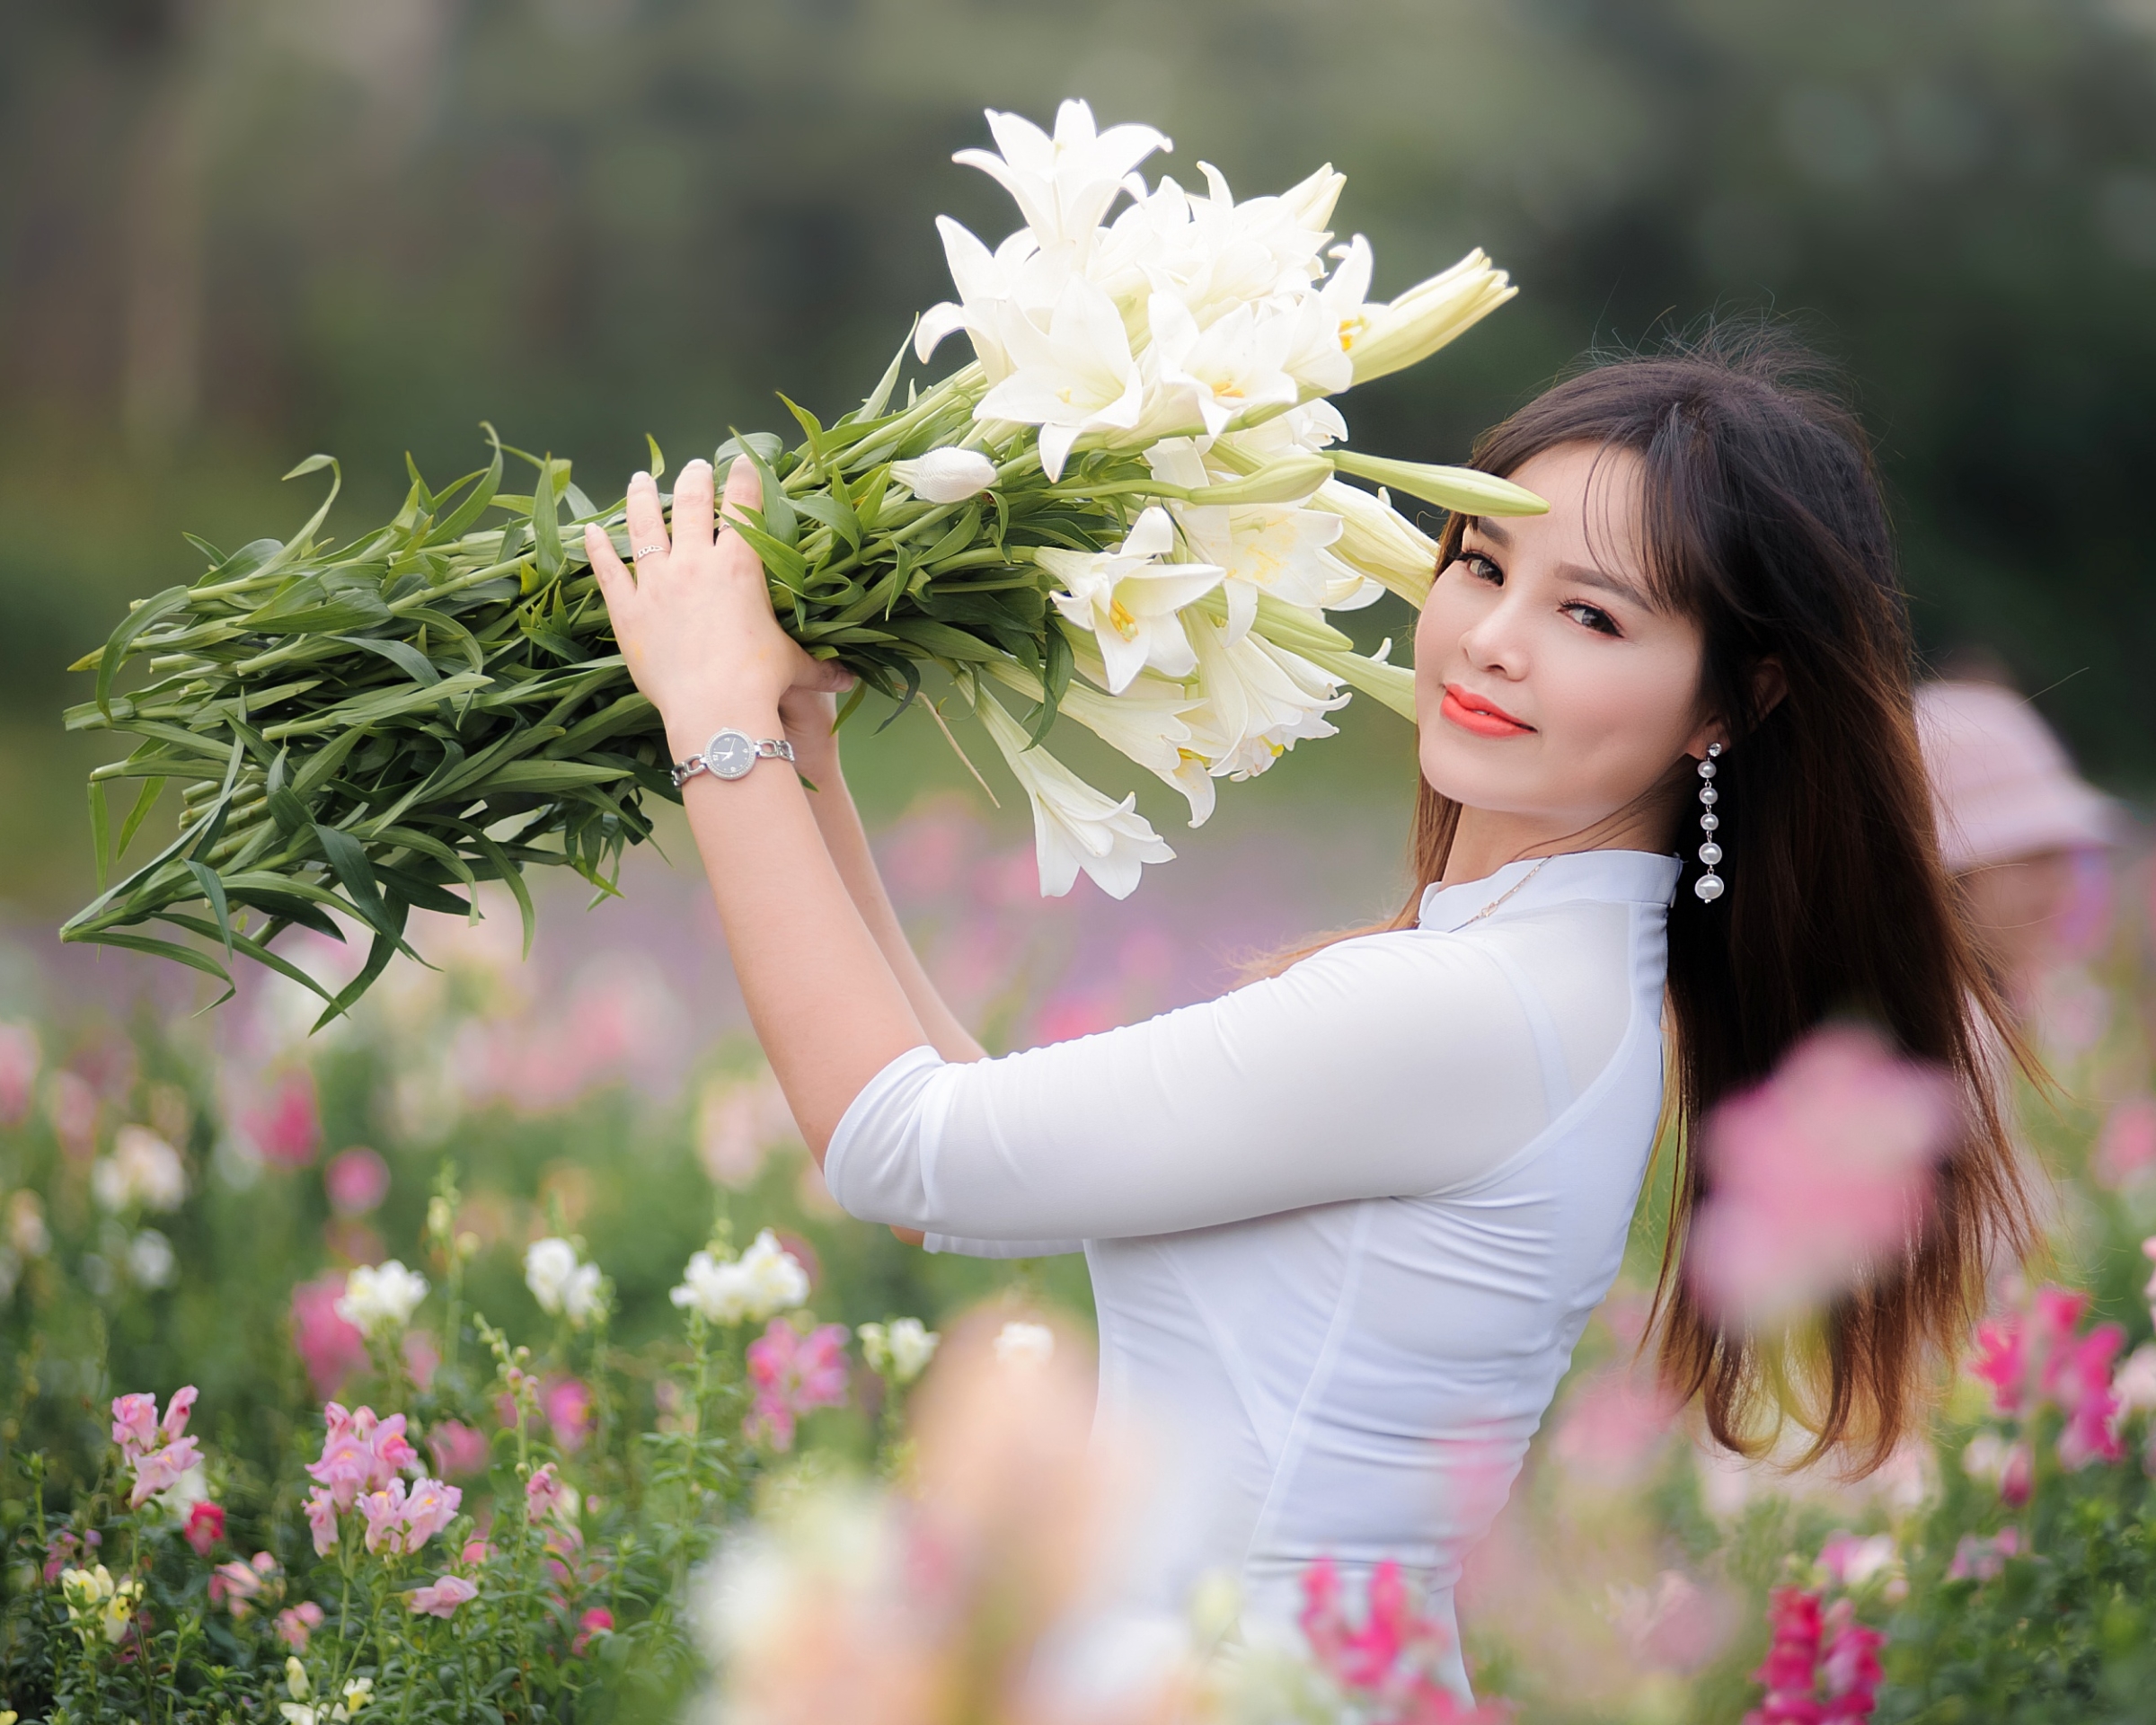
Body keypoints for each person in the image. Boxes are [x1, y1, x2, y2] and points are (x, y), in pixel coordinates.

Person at [583, 332, 2034, 1698]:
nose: (1493, 639)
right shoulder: (1540, 985)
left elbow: (904, 1149)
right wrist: (793, 742)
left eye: (1592, 613)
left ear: (1733, 702)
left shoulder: (1464, 1007)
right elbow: (957, 1169)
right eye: (1481, 564)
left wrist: (710, 721)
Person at [1914, 671, 2116, 1004]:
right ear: (1949, 877)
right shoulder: (1882, 1039)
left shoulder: (2034, 1008)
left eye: (2061, 852)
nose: (2062, 879)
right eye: (2034, 850)